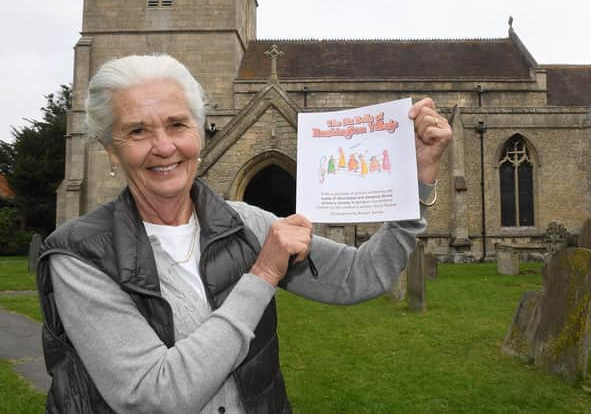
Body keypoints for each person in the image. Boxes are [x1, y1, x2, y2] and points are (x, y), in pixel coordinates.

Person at [37, 54, 452, 414]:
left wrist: (412, 184)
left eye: (177, 124)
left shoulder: (245, 223)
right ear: (111, 149)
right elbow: (154, 397)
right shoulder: (78, 257)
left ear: (200, 133)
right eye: (137, 131)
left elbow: (360, 275)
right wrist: (263, 275)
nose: (163, 147)